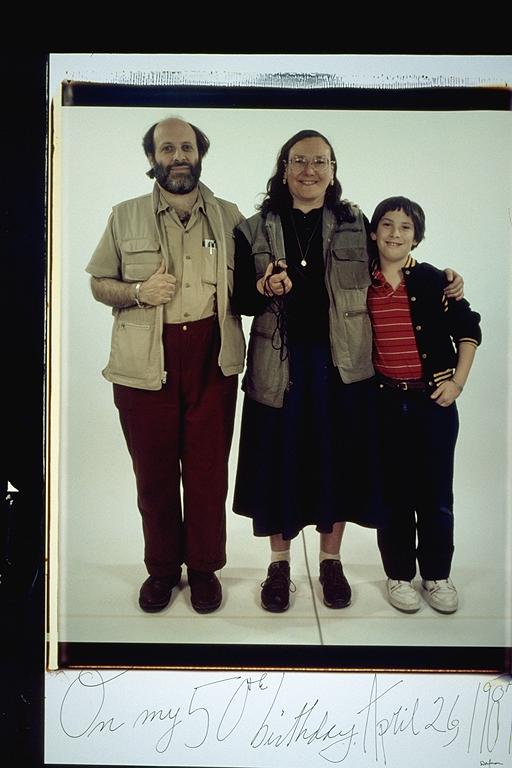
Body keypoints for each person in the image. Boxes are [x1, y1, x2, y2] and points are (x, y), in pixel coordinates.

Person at [232, 130, 464, 614]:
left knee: (335, 466)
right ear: (284, 168)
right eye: (299, 160)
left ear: (333, 170)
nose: (309, 170)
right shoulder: (252, 228)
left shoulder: (355, 222)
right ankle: (279, 566)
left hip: (344, 368)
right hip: (278, 367)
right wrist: (264, 285)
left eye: (320, 161)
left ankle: (330, 562)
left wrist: (443, 278)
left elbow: (394, 258)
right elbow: (240, 301)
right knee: (279, 467)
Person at [86, 117, 245, 614]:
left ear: (200, 154)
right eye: (168, 148)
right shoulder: (125, 215)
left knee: (207, 474)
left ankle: (203, 569)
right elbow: (98, 283)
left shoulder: (230, 216)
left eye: (187, 147)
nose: (179, 156)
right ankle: (161, 570)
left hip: (212, 360)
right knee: (153, 477)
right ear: (152, 158)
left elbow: (253, 283)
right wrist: (138, 291)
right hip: (143, 364)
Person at [368, 196, 481, 614]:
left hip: (432, 403)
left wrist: (457, 383)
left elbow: (469, 330)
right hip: (384, 403)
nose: (395, 234)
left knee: (435, 493)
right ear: (373, 232)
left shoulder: (435, 281)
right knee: (393, 494)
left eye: (405, 227)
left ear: (416, 237)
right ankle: (399, 575)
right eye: (387, 224)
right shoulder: (360, 281)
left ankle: (436, 574)